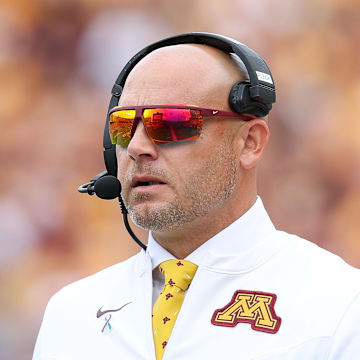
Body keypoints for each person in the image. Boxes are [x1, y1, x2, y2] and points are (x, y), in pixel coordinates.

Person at [33, 36, 360, 360]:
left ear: (250, 142)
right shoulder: (70, 314)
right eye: (123, 126)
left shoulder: (340, 305)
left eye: (171, 124)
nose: (136, 147)